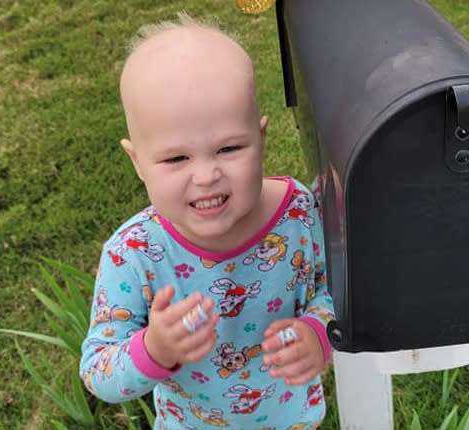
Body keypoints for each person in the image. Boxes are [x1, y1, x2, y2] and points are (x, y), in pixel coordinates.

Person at [79, 12, 335, 430]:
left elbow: (338, 289)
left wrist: (317, 334)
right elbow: (99, 372)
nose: (206, 175)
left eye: (230, 148)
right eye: (176, 158)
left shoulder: (299, 214)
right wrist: (155, 349)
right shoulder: (135, 255)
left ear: (261, 136)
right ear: (137, 161)